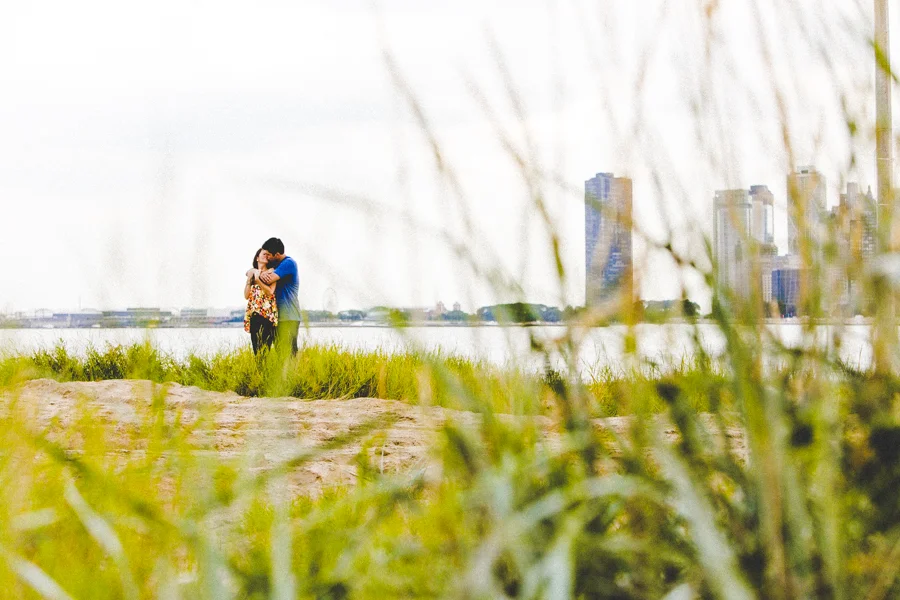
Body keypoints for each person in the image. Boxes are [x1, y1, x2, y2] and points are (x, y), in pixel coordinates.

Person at [259, 237, 301, 355]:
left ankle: (293, 373)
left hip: (289, 316)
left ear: (277, 254)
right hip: (278, 317)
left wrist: (257, 274)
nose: (266, 257)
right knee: (280, 352)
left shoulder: (289, 263)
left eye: (268, 255)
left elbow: (269, 280)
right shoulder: (275, 266)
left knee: (289, 353)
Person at [243, 248, 279, 354]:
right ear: (257, 258)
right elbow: (246, 295)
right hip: (254, 314)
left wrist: (258, 280)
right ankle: (260, 371)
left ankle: (267, 370)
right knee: (256, 351)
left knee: (265, 350)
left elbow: (270, 293)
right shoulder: (252, 273)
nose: (266, 256)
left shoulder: (272, 272)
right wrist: (250, 278)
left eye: (268, 254)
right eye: (264, 254)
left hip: (267, 315)